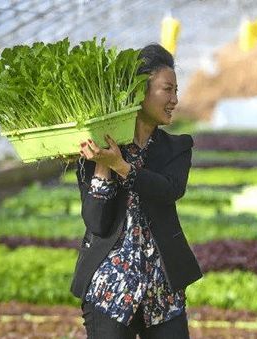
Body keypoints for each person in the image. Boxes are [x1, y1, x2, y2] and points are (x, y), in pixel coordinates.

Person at [70, 44, 202, 339]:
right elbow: (96, 223)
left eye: (176, 91)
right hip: (111, 290)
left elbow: (169, 190)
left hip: (162, 291)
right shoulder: (96, 150)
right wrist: (104, 166)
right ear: (141, 91)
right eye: (167, 90)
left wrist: (122, 166)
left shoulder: (177, 148)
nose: (175, 100)